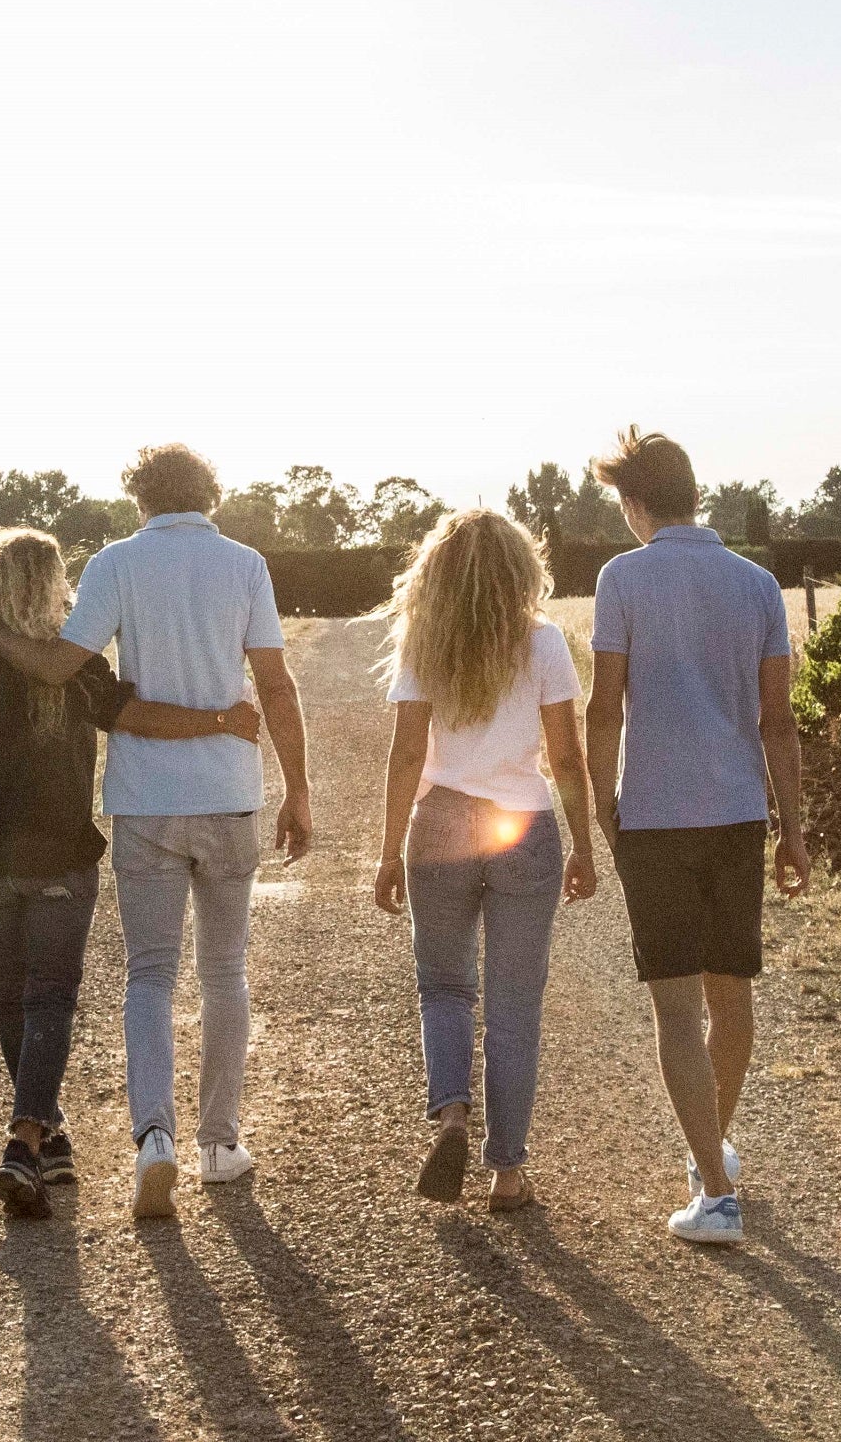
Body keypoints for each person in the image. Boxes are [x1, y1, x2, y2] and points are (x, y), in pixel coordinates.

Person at [0, 444, 314, 1221]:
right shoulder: (245, 564)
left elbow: (61, 665)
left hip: (145, 804)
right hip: (229, 795)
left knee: (149, 976)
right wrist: (298, 789)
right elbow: (275, 684)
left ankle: (152, 1139)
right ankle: (219, 1145)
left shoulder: (118, 563)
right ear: (211, 495)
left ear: (139, 499)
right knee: (225, 973)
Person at [0, 527, 264, 1219]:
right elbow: (137, 718)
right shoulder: (76, 667)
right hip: (60, 855)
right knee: (50, 999)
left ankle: (45, 1136)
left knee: (12, 1000)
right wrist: (222, 718)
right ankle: (30, 1138)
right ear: (49, 589)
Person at [584, 426, 811, 1247]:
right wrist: (794, 829)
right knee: (732, 994)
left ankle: (715, 1192)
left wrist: (598, 803)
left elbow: (606, 704)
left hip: (655, 815)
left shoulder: (623, 579)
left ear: (636, 503)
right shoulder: (757, 584)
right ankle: (709, 1155)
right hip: (739, 813)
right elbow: (778, 722)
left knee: (676, 1009)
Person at [372, 509, 597, 1212]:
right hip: (521, 825)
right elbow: (566, 756)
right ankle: (506, 1173)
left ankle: (451, 1118)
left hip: (440, 825)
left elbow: (408, 753)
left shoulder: (423, 642)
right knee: (514, 1007)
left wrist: (386, 853)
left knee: (443, 988)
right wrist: (585, 844)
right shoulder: (545, 642)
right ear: (519, 569)